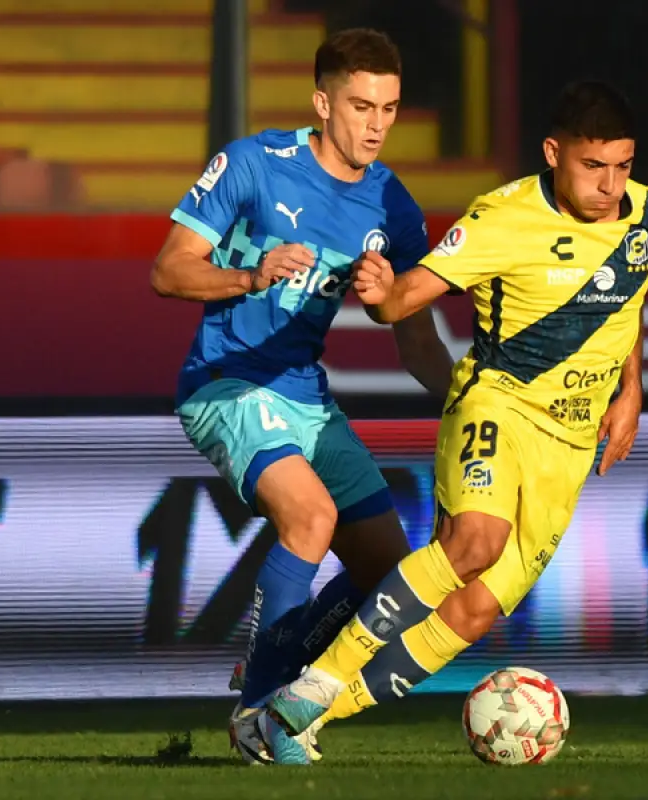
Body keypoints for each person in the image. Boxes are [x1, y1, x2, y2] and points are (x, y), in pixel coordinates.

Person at [256, 79, 648, 765]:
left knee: (474, 610)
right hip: (498, 404)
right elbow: (404, 299)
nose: (609, 185)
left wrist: (631, 392)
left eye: (622, 166)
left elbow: (626, 300)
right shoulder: (502, 218)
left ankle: (303, 717)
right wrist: (382, 294)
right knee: (473, 542)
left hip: (567, 446)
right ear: (552, 153)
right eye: (592, 166)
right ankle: (321, 677)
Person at [149, 27, 454, 762]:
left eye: (388, 108)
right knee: (311, 519)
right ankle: (261, 710)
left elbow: (411, 333)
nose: (376, 124)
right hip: (227, 384)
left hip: (307, 397)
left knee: (392, 571)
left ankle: (275, 664)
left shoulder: (391, 204)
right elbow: (168, 270)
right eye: (360, 105)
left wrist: (463, 396)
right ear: (323, 103)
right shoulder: (254, 164)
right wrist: (251, 277)